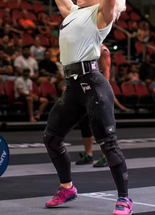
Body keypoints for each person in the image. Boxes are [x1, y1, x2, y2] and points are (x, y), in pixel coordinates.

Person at [43, 1, 133, 215]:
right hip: (73, 86)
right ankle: (67, 188)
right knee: (51, 138)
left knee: (108, 145)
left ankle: (124, 199)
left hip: (94, 86)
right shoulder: (73, 12)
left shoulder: (101, 13)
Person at [76, 44, 129, 167]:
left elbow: (106, 71)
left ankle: (106, 156)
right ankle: (88, 155)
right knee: (85, 123)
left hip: (98, 89)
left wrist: (102, 91)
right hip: (86, 88)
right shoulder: (85, 47)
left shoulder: (102, 50)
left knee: (101, 123)